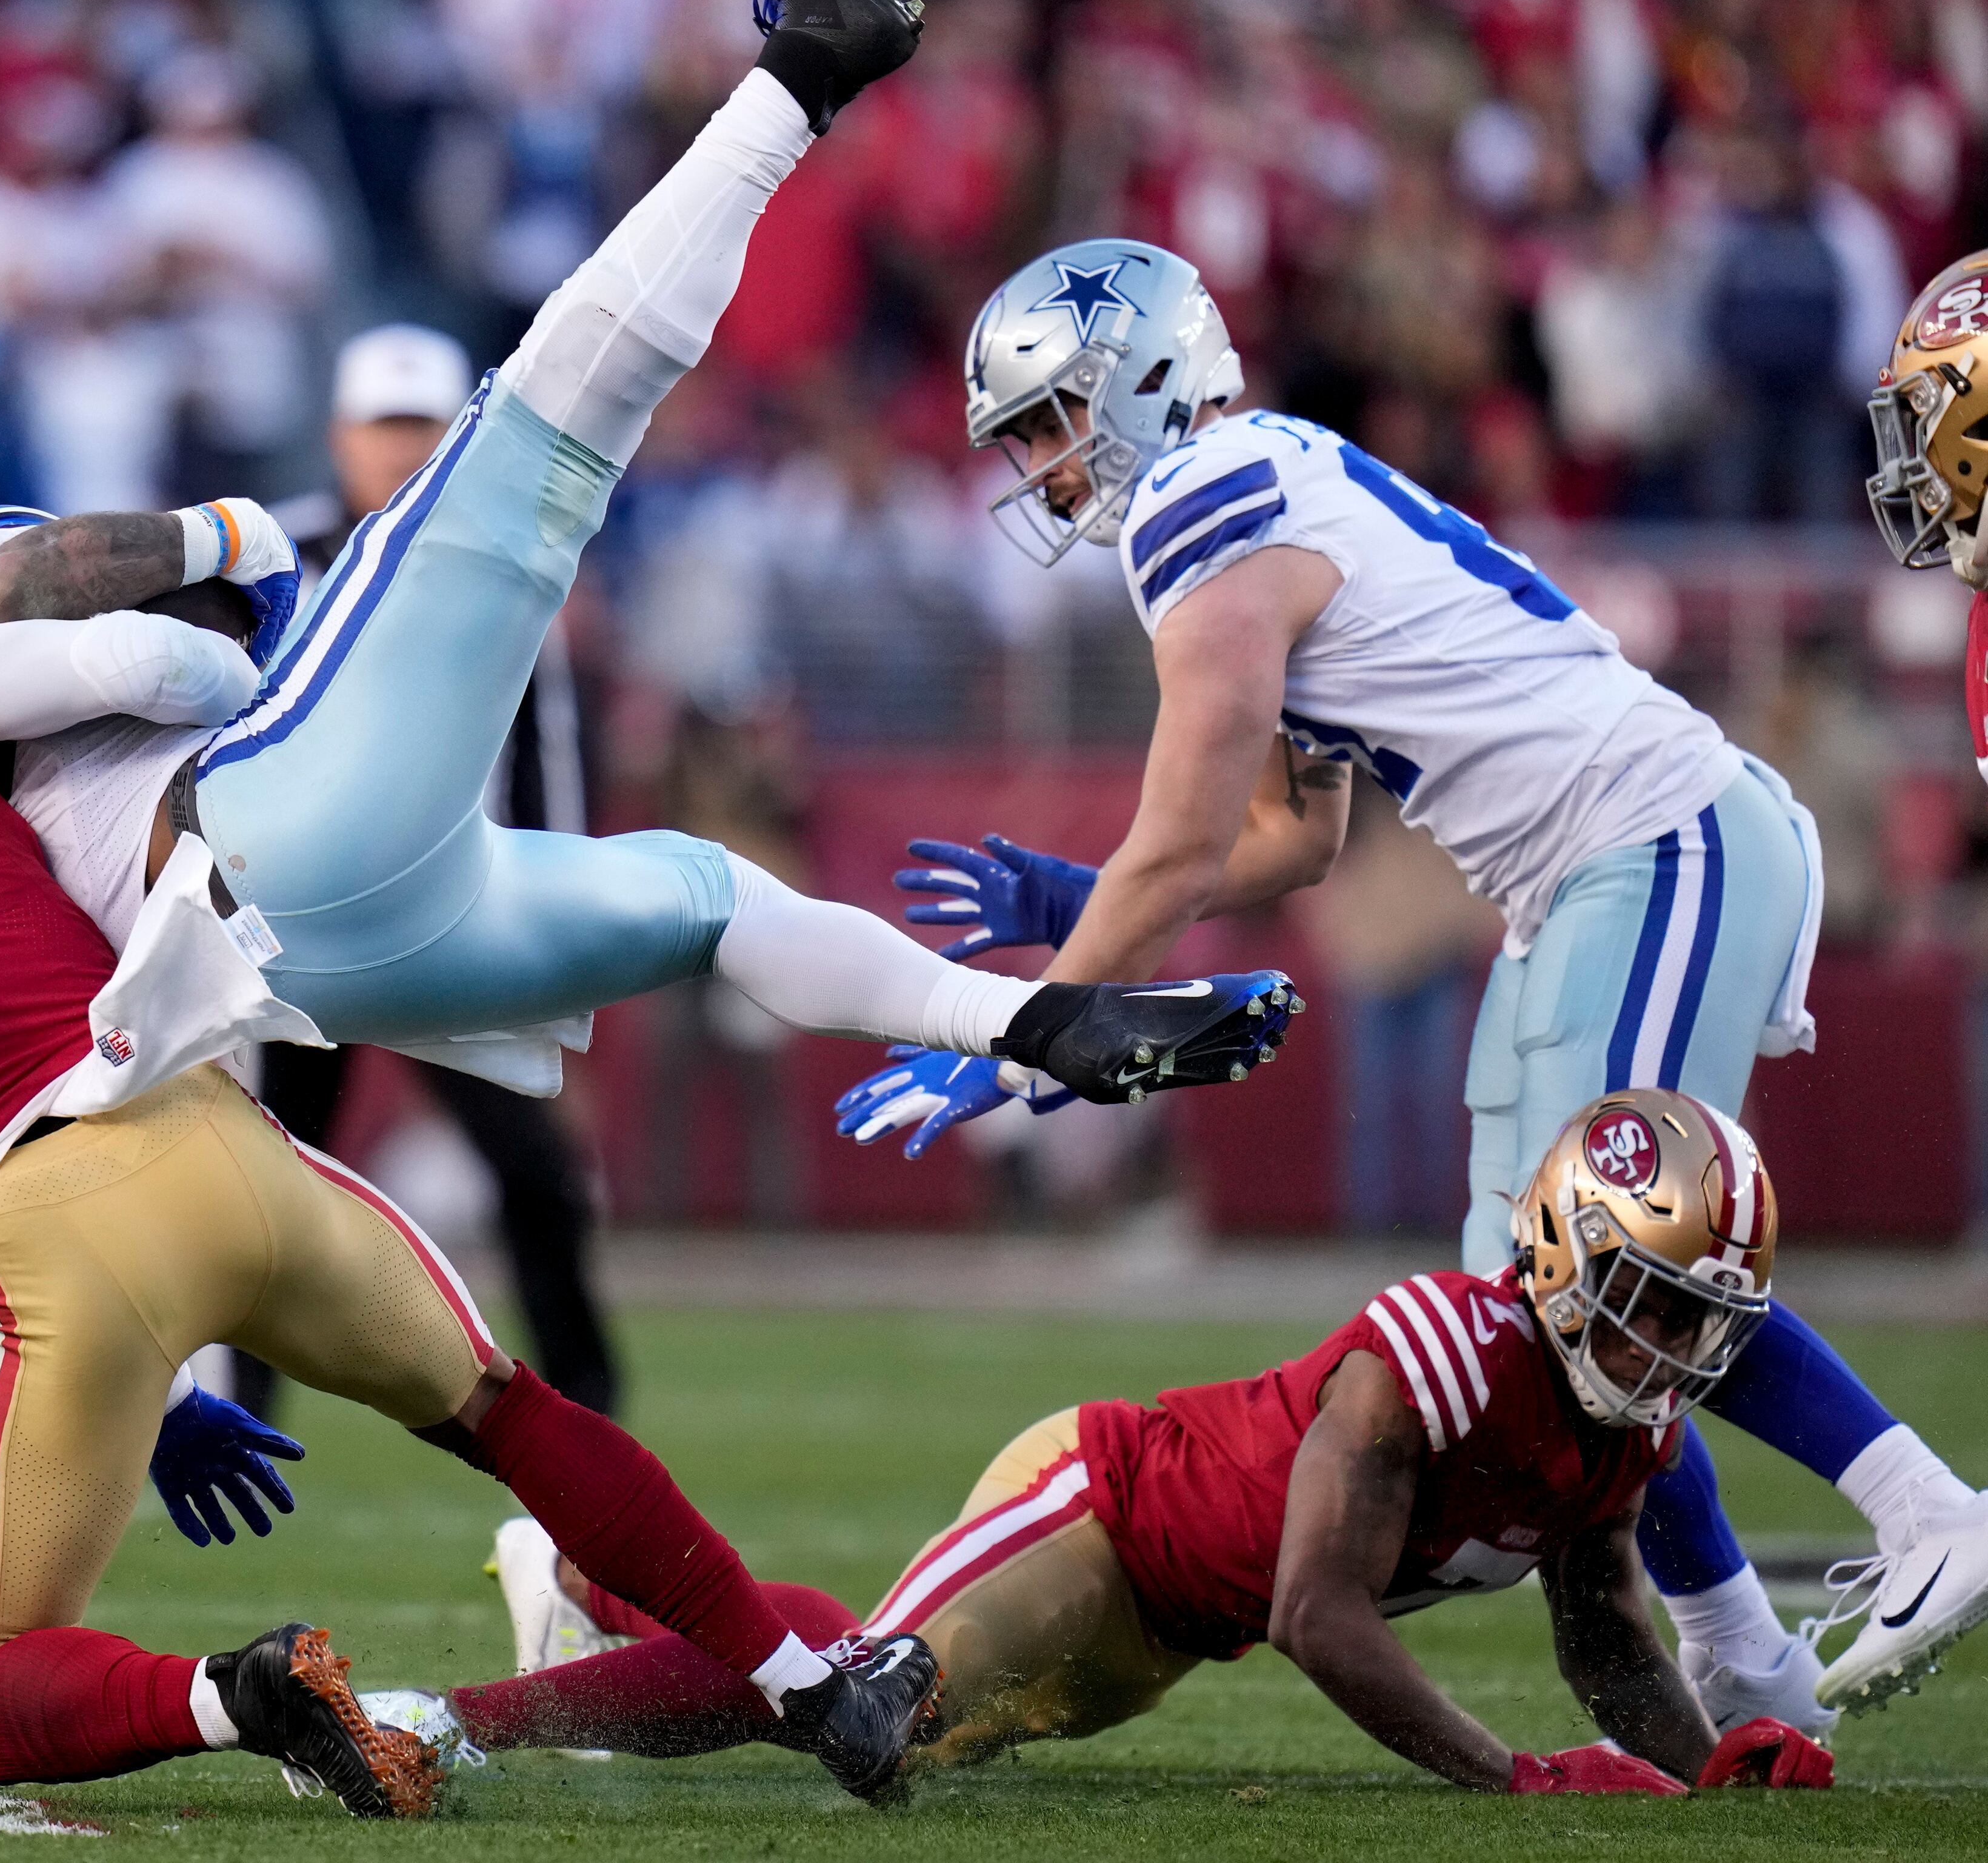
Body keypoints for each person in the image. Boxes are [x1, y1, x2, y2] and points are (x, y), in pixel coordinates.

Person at [0, 0, 1058, 1819]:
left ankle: (234, 1687)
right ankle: (808, 1671)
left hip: (40, 1227)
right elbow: (85, 654)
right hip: (212, 1117)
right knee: (514, 1410)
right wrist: (230, 628)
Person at [0, 0, 1298, 1117]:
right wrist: (224, 539)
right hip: (278, 845)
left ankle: (1030, 1026)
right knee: (542, 425)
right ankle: (807, 72)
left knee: (708, 898)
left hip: (293, 969)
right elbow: (94, 639)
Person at [839, 237, 1988, 1728]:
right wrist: (1082, 899)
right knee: (1541, 1308)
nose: (1044, 468)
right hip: (1580, 873)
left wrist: (1010, 1041)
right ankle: (1748, 1659)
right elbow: (1290, 834)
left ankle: (1925, 1509)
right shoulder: (1251, 479)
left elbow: (1185, 848)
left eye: (1054, 419)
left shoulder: (1201, 497)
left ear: (1143, 375)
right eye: (1024, 438)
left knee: (1619, 1246)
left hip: (1648, 834)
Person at [373, 1094, 1835, 1801]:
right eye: (1649, 1304)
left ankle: (579, 1584)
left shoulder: (1616, 1435)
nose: (1670, 1353)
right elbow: (1317, 1615)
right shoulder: (1437, 1356)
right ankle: (447, 1721)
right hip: (1101, 1507)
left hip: (1166, 1634)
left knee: (881, 1728)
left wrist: (1706, 1777)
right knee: (854, 1713)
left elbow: (1605, 1633)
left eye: (1699, 1319)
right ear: (1563, 1255)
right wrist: (1511, 1776)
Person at [243, 321, 622, 1419]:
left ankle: (588, 1416)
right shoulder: (264, 558)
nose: (404, 449)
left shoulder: (508, 567)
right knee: (260, 1189)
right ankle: (242, 1410)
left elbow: (548, 778)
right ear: (339, 435)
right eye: (384, 425)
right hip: (289, 932)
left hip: (449, 926)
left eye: (425, 425)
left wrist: (566, 969)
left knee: (540, 1176)